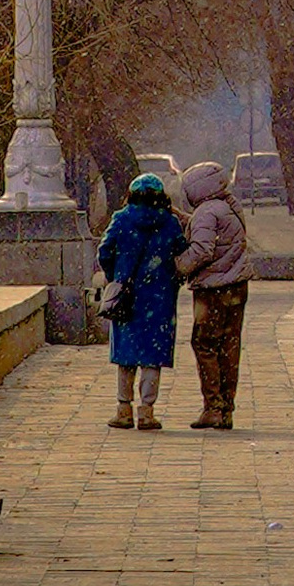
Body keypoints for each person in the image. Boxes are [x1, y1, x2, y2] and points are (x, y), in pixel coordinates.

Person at [98, 170, 185, 431]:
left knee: (126, 355)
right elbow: (181, 253)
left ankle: (123, 410)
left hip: (127, 297)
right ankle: (147, 412)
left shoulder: (122, 219)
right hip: (160, 298)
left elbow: (104, 251)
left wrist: (115, 275)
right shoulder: (169, 223)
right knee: (152, 356)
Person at [175, 158, 251, 430]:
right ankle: (227, 407)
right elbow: (212, 234)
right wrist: (183, 218)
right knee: (230, 346)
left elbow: (203, 250)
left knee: (205, 344)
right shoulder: (229, 207)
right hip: (237, 286)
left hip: (212, 291)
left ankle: (212, 407)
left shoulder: (207, 212)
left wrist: (178, 266)